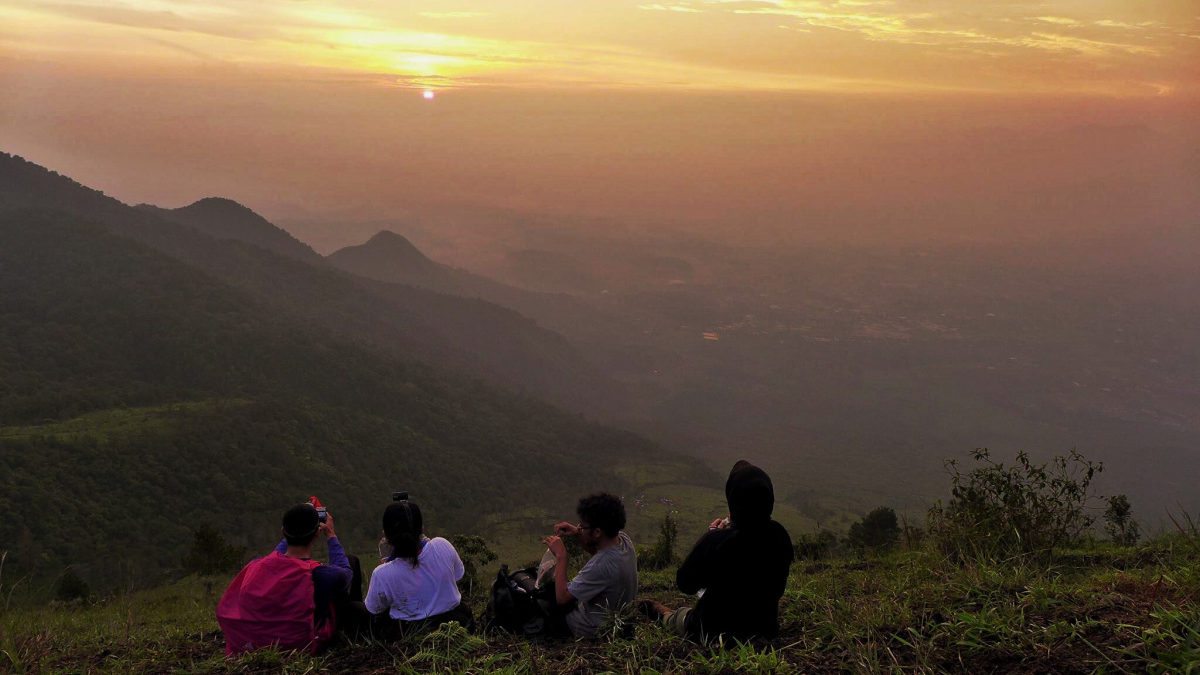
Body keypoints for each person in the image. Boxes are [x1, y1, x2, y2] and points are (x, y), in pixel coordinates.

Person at [641, 460, 794, 643]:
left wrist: (712, 537)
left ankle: (662, 613)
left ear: (733, 502)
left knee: (679, 616)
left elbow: (686, 584)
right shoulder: (780, 535)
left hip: (712, 631)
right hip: (764, 628)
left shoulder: (717, 542)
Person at [216, 502, 361, 656]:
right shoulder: (318, 575)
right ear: (317, 533)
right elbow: (346, 573)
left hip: (254, 643)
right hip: (301, 645)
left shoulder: (257, 565)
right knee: (350, 562)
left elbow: (274, 556)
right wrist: (331, 535)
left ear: (283, 531)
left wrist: (293, 528)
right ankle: (351, 631)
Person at [364, 500, 473, 636]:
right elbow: (458, 575)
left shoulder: (382, 573)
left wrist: (387, 563)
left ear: (386, 535)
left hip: (411, 632)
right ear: (421, 528)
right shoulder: (442, 545)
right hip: (457, 623)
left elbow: (374, 608)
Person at [542, 492, 638, 639]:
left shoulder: (602, 564)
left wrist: (562, 556)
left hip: (591, 628)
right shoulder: (623, 541)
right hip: (618, 619)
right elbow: (597, 549)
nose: (579, 527)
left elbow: (562, 598)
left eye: (583, 527)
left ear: (597, 532)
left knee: (542, 601)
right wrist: (577, 533)